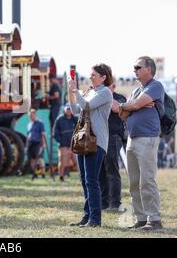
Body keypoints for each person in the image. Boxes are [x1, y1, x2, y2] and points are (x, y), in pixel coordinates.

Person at [119, 56, 165, 231]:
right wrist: (131, 105)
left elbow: (135, 105)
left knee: (147, 180)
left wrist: (132, 105)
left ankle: (154, 219)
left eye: (138, 67)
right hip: (132, 138)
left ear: (149, 69)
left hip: (148, 138)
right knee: (134, 182)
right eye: (134, 67)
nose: (135, 70)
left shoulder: (156, 85)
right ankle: (141, 218)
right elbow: (123, 114)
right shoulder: (136, 90)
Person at [68, 64, 113, 228]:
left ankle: (95, 219)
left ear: (103, 77)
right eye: (90, 75)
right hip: (84, 140)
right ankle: (87, 217)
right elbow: (75, 110)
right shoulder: (90, 91)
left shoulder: (105, 92)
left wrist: (76, 91)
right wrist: (71, 92)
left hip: (97, 141)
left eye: (94, 75)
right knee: (85, 180)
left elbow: (86, 106)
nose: (91, 77)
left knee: (91, 181)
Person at [99, 82, 126, 212]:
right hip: (99, 137)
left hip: (113, 136)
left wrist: (105, 96)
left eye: (106, 86)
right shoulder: (98, 96)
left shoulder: (119, 98)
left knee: (112, 170)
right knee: (101, 172)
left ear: (113, 86)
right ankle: (103, 203)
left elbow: (117, 109)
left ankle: (115, 203)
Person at [53, 103, 78, 182]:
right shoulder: (59, 119)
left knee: (77, 162)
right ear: (64, 110)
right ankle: (61, 177)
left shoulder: (76, 119)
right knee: (62, 162)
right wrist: (61, 142)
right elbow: (55, 133)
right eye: (67, 109)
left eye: (70, 109)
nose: (69, 111)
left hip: (74, 145)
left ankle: (82, 177)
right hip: (63, 146)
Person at [26, 109, 47, 179]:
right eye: (30, 115)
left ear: (35, 114)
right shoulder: (29, 124)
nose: (31, 116)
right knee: (32, 159)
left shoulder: (40, 123)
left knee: (40, 158)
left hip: (38, 143)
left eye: (32, 115)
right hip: (31, 143)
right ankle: (34, 173)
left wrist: (43, 144)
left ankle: (43, 173)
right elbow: (28, 135)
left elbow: (43, 134)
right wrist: (27, 144)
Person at [48, 75, 62, 176]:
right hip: (55, 106)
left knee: (53, 120)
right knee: (51, 119)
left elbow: (56, 96)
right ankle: (53, 130)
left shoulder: (55, 86)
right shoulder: (56, 85)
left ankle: (53, 131)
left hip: (55, 106)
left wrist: (48, 97)